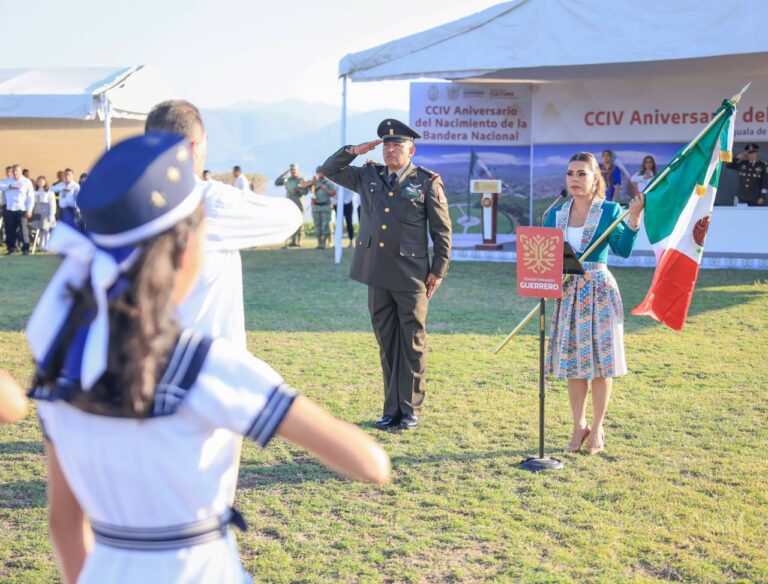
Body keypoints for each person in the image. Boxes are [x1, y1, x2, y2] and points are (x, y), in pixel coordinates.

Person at [26, 132, 390, 584]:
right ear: (183, 252)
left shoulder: (60, 363)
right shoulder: (203, 364)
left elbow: (64, 524)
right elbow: (369, 464)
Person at [320, 119, 452, 431]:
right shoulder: (368, 175)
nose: (391, 150)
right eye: (387, 145)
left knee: (412, 342)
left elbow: (442, 231)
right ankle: (391, 409)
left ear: (411, 150)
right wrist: (354, 150)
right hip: (377, 272)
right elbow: (330, 170)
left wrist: (438, 270)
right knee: (387, 341)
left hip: (410, 276)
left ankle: (410, 411)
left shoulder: (427, 182)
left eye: (398, 146)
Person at [145, 99, 302, 349]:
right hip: (206, 363)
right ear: (193, 146)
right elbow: (291, 217)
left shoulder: (129, 201)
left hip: (144, 361)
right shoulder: (209, 200)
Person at [545, 152, 645, 455]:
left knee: (601, 365)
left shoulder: (609, 210)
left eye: (581, 174)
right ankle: (579, 426)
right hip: (568, 292)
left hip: (599, 291)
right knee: (574, 364)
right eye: (570, 173)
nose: (574, 179)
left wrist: (634, 217)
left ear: (594, 178)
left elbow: (623, 250)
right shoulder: (555, 213)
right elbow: (546, 255)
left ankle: (598, 427)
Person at [2, 164, 35, 255]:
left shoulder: (26, 182)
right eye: (13, 171)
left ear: (21, 172)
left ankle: (25, 250)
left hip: (22, 210)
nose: (15, 172)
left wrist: (29, 210)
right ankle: (11, 249)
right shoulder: (7, 181)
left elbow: (31, 197)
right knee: (9, 230)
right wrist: (9, 187)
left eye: (17, 171)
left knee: (23, 230)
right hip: (9, 209)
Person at [275, 163, 309, 247]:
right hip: (289, 204)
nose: (293, 171)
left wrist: (299, 190)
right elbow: (277, 182)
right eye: (291, 170)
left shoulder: (301, 179)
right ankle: (293, 241)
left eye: (294, 170)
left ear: (298, 170)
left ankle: (299, 241)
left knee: (299, 224)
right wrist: (284, 174)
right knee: (291, 223)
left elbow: (306, 192)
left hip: (298, 203)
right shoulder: (288, 179)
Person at [302, 166, 336, 249]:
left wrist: (324, 188)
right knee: (317, 226)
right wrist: (312, 182)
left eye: (321, 172)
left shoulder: (328, 183)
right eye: (318, 172)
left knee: (326, 225)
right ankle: (319, 243)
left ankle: (324, 243)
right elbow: (302, 186)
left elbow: (333, 193)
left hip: (325, 206)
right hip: (316, 207)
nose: (320, 174)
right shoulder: (314, 182)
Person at [33, 176, 57, 251]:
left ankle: (46, 245)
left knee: (45, 229)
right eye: (39, 181)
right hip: (37, 211)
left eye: (42, 181)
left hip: (46, 211)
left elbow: (52, 204)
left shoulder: (49, 191)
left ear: (45, 182)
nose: (40, 183)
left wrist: (52, 214)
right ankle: (40, 245)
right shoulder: (34, 191)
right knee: (39, 229)